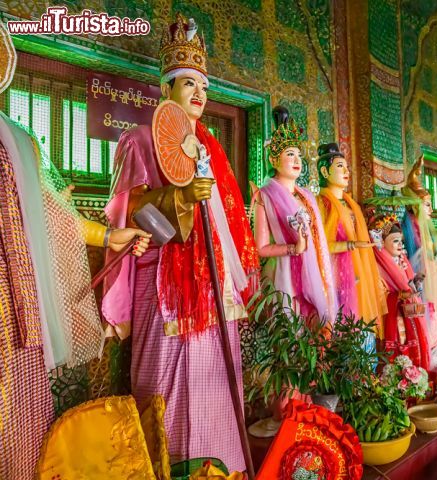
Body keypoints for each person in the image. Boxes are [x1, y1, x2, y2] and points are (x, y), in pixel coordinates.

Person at [102, 14, 258, 472]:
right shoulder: (140, 140)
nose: (199, 94)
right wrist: (179, 195)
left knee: (216, 380)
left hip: (212, 286)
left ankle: (221, 467)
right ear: (167, 86)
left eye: (204, 86)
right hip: (164, 286)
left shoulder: (211, 147)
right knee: (163, 383)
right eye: (188, 82)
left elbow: (229, 219)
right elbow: (127, 211)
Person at [0, 22, 149, 479]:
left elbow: (53, 216)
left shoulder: (14, 142)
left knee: (19, 431)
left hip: (13, 311)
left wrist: (109, 236)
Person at [254, 108, 337, 323]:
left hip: (314, 271)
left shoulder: (307, 196)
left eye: (298, 155)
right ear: (274, 159)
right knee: (294, 332)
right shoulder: (265, 196)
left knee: (318, 330)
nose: (296, 159)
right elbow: (260, 248)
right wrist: (294, 248)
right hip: (285, 273)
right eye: (290, 154)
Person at [316, 142, 385, 335]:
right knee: (342, 328)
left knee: (362, 328)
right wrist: (351, 244)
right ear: (324, 171)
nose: (346, 171)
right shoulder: (320, 204)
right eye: (340, 166)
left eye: (347, 167)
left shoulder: (351, 204)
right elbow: (318, 246)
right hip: (336, 276)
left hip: (357, 272)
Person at [401, 156, 437, 369]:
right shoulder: (410, 231)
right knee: (429, 329)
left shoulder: (425, 230)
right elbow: (416, 261)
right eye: (427, 205)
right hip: (423, 290)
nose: (431, 210)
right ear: (415, 206)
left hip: (433, 289)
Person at [370, 214, 430, 370]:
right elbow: (378, 294)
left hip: (409, 311)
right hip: (393, 316)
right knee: (400, 348)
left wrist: (416, 284)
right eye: (395, 241)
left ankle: (414, 379)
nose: (400, 245)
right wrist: (399, 295)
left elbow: (408, 284)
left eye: (401, 241)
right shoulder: (378, 266)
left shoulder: (402, 260)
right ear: (382, 242)